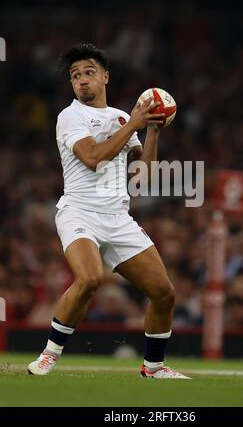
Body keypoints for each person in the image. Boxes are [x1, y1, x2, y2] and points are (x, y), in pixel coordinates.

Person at [28, 42, 190, 379]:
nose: (82, 80)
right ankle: (49, 354)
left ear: (105, 76)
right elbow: (91, 158)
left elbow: (144, 175)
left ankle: (153, 367)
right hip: (79, 212)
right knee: (90, 278)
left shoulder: (119, 117)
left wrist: (153, 131)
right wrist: (133, 124)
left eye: (88, 72)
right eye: (75, 76)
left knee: (164, 293)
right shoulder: (70, 115)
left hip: (117, 217)